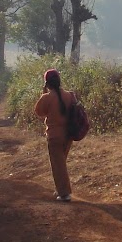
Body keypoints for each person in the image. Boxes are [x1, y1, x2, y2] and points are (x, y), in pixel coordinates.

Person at [34, 68, 76, 202]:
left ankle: (64, 193)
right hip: (68, 134)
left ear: (47, 83)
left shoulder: (47, 97)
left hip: (54, 136)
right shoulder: (70, 95)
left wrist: (43, 93)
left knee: (58, 164)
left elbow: (39, 112)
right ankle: (61, 190)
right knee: (61, 162)